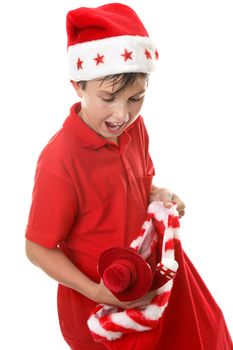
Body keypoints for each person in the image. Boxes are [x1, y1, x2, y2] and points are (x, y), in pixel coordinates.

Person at [25, 3, 185, 350]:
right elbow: (38, 248)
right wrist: (96, 290)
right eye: (108, 97)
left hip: (139, 290)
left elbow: (139, 187)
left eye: (136, 98)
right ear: (77, 85)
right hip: (92, 310)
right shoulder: (61, 159)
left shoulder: (135, 130)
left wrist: (159, 196)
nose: (122, 113)